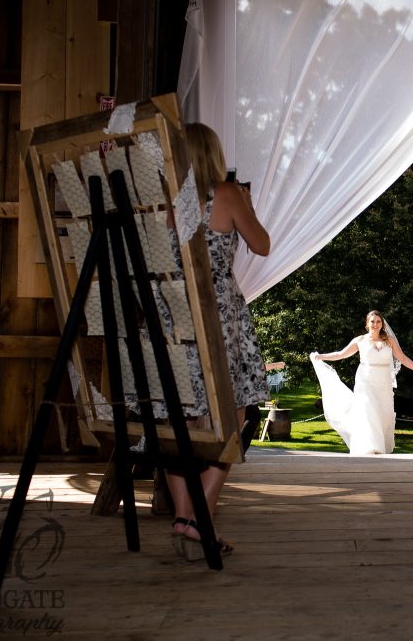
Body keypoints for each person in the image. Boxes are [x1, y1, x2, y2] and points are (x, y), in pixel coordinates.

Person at [166, 122, 272, 560]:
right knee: (234, 415)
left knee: (179, 420)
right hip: (216, 322)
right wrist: (244, 201)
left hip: (170, 321)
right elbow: (261, 245)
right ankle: (201, 519)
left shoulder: (162, 199)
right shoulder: (223, 196)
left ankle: (181, 514)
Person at [310, 310, 413, 455]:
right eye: (372, 321)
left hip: (383, 383)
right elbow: (341, 354)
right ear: (367, 323)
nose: (375, 324)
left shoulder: (389, 341)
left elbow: (402, 358)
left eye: (378, 321)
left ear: (382, 324)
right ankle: (371, 447)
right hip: (365, 381)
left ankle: (380, 445)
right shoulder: (360, 340)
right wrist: (321, 356)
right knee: (368, 412)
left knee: (383, 414)